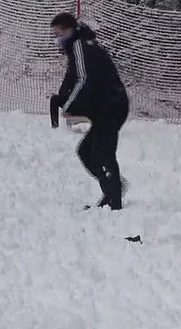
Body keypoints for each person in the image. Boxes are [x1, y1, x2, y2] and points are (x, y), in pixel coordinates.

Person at [50, 13, 130, 210]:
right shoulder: (79, 47)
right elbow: (72, 79)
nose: (57, 39)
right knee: (86, 152)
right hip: (106, 106)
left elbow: (84, 80)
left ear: (70, 30)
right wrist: (64, 100)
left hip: (112, 106)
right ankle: (113, 190)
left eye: (59, 33)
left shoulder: (80, 46)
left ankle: (115, 203)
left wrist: (69, 106)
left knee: (102, 154)